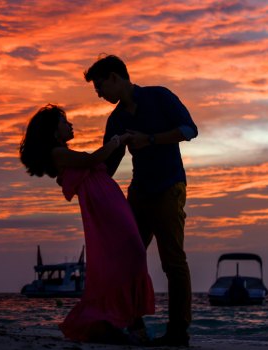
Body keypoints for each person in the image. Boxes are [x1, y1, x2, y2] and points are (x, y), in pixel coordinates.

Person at [84, 54, 198, 347]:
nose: (99, 94)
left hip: (169, 187)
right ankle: (132, 326)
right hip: (138, 193)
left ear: (114, 77)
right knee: (125, 258)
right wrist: (82, 177)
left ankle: (178, 332)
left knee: (173, 261)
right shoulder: (116, 119)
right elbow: (108, 164)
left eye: (100, 86)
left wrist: (150, 139)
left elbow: (189, 130)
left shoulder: (159, 96)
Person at [19, 104, 155, 344]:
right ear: (54, 131)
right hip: (103, 207)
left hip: (109, 202)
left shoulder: (63, 153)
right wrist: (118, 140)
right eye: (64, 122)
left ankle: (124, 323)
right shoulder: (57, 153)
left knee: (129, 256)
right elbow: (93, 159)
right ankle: (126, 324)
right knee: (131, 255)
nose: (70, 125)